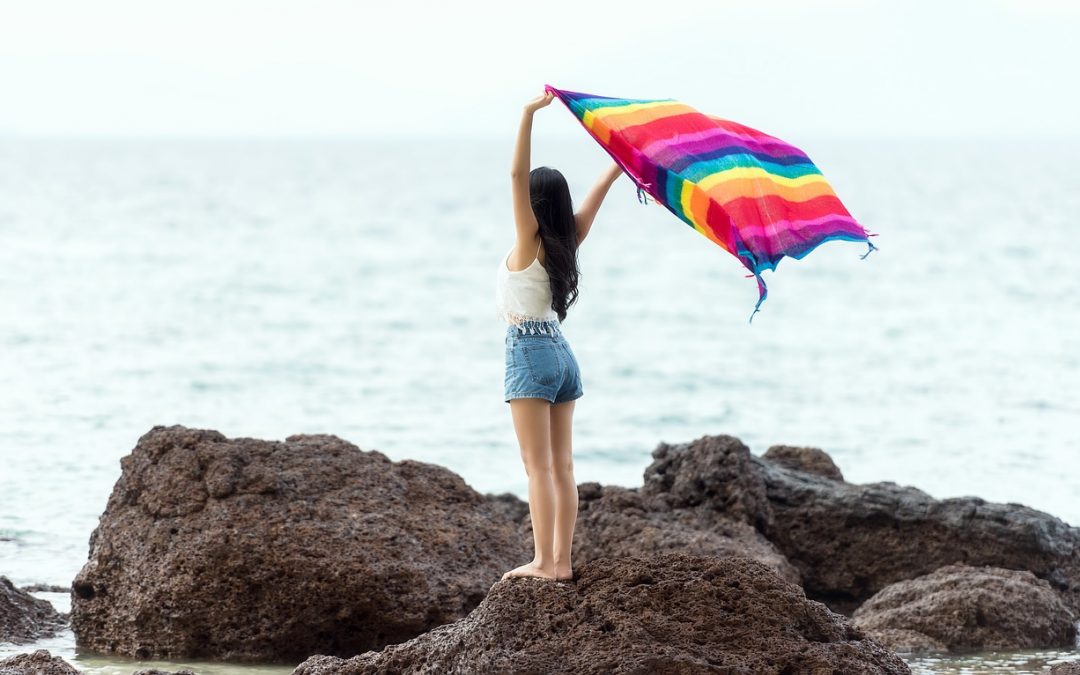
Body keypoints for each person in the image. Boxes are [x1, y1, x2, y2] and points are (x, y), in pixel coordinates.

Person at [495, 89, 623, 581]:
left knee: (538, 469)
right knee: (563, 466)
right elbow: (598, 193)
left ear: (531, 204)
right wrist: (618, 165)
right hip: (563, 355)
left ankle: (545, 563)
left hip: (529, 350)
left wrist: (527, 114)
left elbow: (512, 174)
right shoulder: (568, 238)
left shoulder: (529, 242)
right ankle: (562, 562)